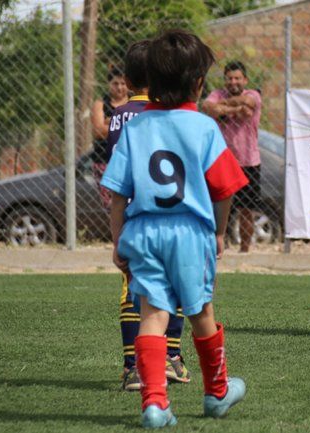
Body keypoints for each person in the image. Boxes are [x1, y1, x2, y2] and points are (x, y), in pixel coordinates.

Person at [101, 30, 248, 427]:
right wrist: (218, 233)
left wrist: (118, 243)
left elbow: (116, 195)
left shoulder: (133, 129)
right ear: (199, 83)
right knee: (200, 311)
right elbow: (225, 189)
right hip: (189, 233)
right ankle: (216, 393)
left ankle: (154, 403)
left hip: (144, 232)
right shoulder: (203, 128)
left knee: (152, 313)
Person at [104, 40, 191, 391]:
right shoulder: (168, 114)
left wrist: (116, 235)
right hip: (173, 215)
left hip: (133, 218)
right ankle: (171, 357)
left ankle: (132, 366)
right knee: (176, 288)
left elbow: (118, 177)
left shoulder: (118, 117)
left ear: (127, 77)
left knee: (133, 290)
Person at [203, 61, 262, 253]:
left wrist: (223, 108)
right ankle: (219, 245)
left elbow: (248, 103)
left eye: (237, 78)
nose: (233, 82)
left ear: (245, 80)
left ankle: (244, 249)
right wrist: (236, 109)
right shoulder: (217, 94)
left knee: (246, 210)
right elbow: (208, 107)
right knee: (219, 207)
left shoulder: (253, 94)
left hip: (248, 161)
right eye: (229, 78)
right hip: (223, 161)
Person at [91, 65, 128, 209]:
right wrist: (126, 123)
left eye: (123, 83)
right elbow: (99, 131)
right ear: (109, 84)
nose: (119, 88)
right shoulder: (100, 104)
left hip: (129, 160)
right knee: (112, 206)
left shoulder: (133, 103)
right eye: (115, 83)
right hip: (104, 161)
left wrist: (109, 121)